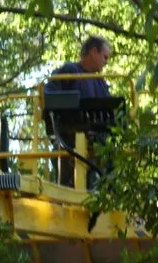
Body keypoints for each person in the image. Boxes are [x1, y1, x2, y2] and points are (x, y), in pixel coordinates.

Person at [44, 36, 112, 187]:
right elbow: (47, 96)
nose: (106, 61)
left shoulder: (101, 84)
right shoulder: (70, 71)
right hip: (67, 145)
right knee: (67, 189)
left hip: (96, 149)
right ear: (93, 52)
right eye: (104, 57)